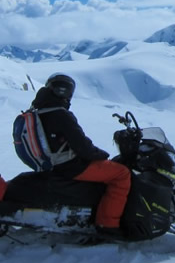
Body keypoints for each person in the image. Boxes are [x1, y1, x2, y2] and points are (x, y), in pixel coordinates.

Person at [30, 73, 131, 236]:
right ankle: (108, 225)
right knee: (121, 174)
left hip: (53, 164)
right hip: (71, 166)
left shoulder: (39, 110)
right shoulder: (61, 114)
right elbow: (83, 146)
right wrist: (101, 154)